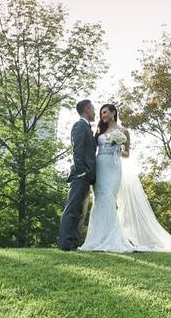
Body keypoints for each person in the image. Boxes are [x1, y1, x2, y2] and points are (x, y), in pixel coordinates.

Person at [78, 104, 171, 253]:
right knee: (99, 200)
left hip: (113, 168)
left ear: (113, 113)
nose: (102, 116)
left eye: (105, 112)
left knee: (109, 199)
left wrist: (117, 147)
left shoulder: (124, 131)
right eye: (101, 113)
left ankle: (112, 239)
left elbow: (127, 154)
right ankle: (97, 239)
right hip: (100, 166)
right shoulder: (99, 131)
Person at [57, 99, 97, 251]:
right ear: (87, 109)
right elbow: (77, 150)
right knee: (72, 209)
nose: (95, 111)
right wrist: (82, 171)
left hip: (86, 175)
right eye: (93, 108)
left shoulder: (88, 128)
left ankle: (73, 242)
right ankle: (65, 243)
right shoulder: (79, 126)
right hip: (80, 175)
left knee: (80, 210)